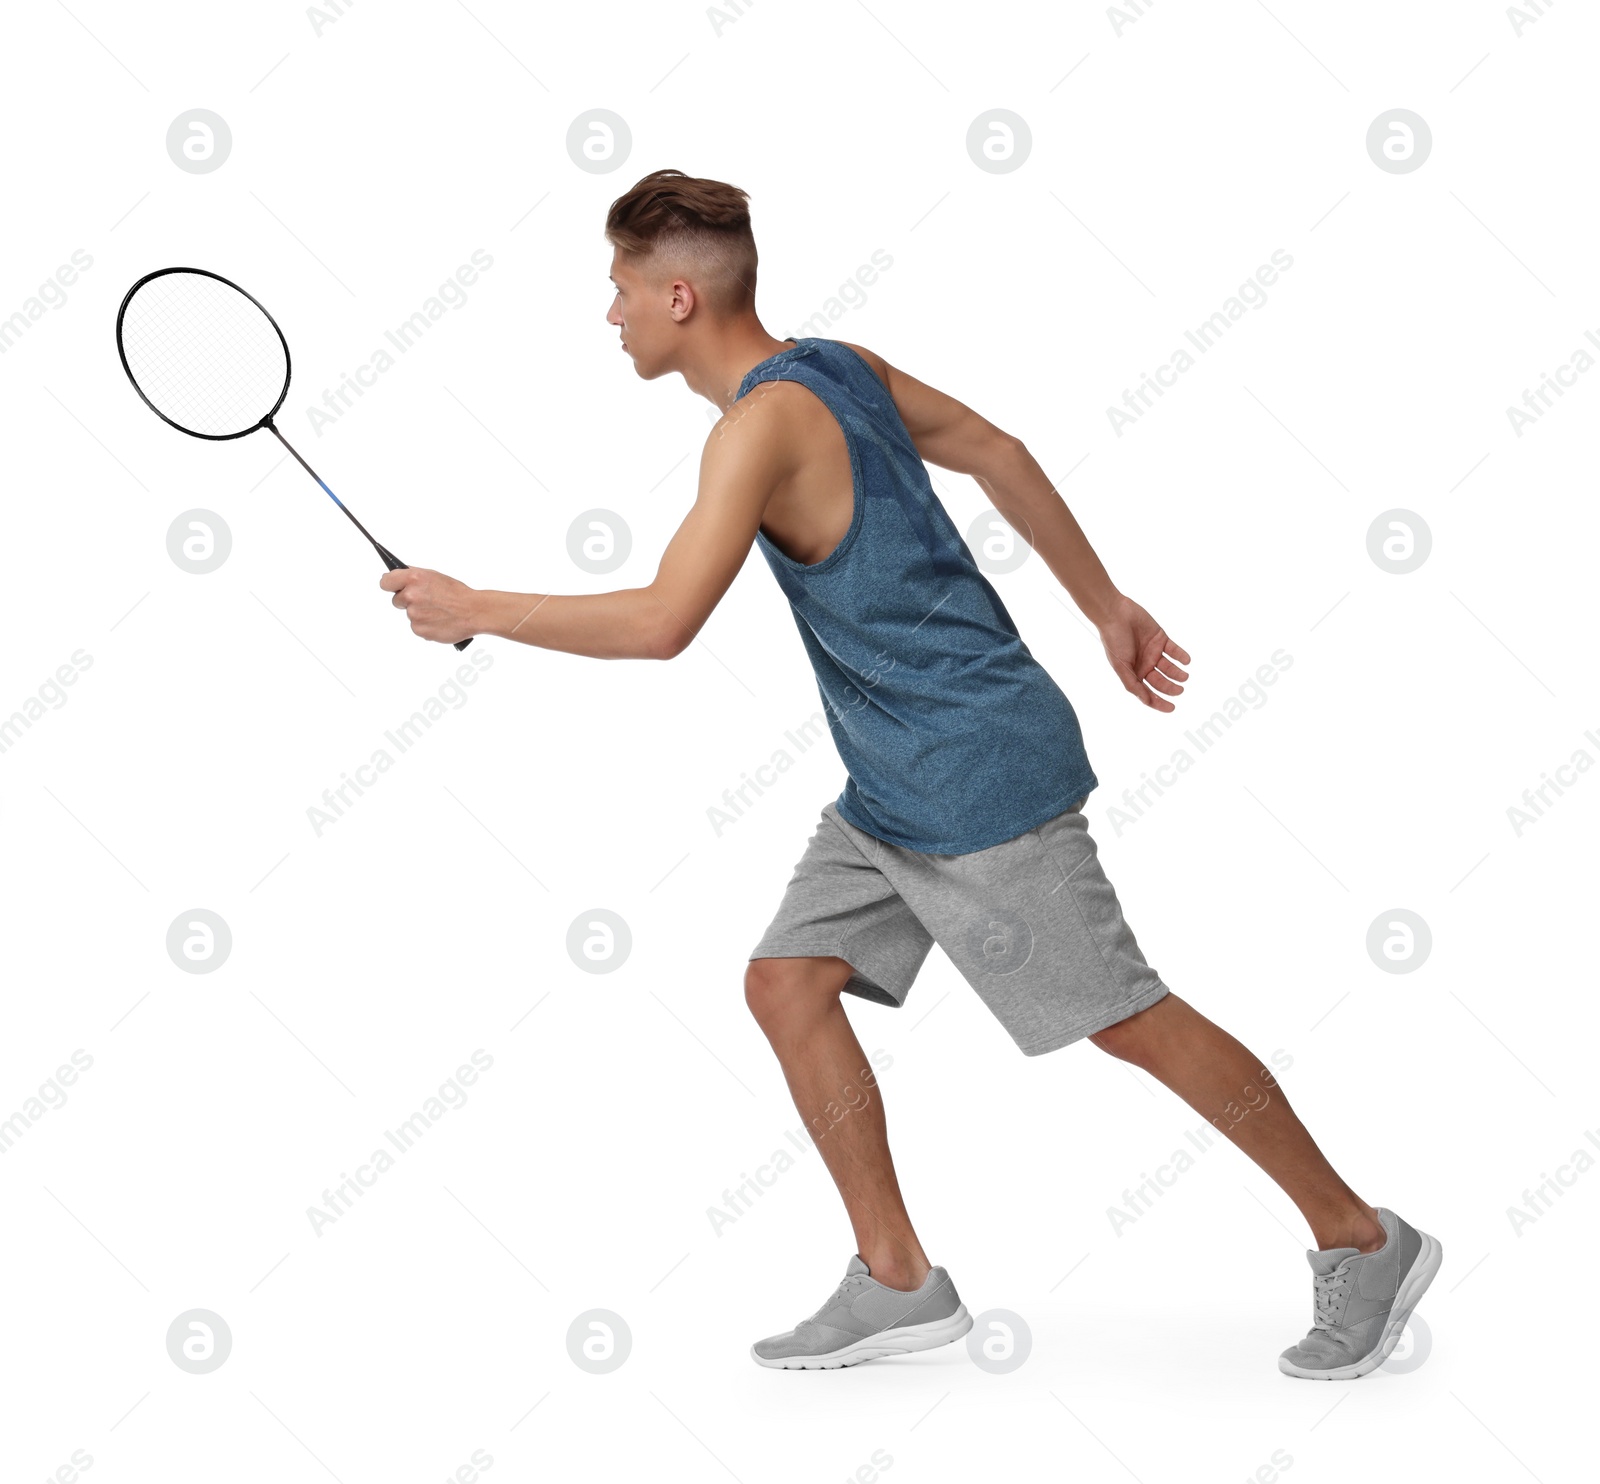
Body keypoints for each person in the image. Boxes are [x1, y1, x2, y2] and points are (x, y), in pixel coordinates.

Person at [379, 168, 1441, 1378]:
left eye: (619, 289)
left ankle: (1364, 1238)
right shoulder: (837, 362)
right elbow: (996, 446)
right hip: (895, 782)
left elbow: (665, 620)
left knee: (1128, 1019)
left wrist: (481, 608)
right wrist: (1103, 607)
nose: (608, 313)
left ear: (678, 295)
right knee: (786, 981)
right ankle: (897, 1277)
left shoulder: (753, 431)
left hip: (972, 773)